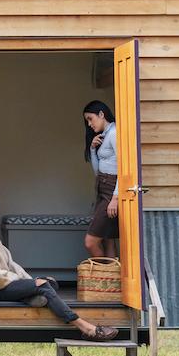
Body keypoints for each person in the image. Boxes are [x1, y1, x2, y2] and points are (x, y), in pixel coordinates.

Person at [0, 201, 119, 341]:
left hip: (6, 283)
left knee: (50, 282)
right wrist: (32, 284)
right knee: (43, 286)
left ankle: (31, 297)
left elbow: (11, 264)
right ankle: (86, 328)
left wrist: (30, 282)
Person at [82, 100, 119, 260]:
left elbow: (124, 168)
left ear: (101, 114)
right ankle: (113, 282)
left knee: (91, 242)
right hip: (102, 188)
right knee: (108, 239)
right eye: (87, 121)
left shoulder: (114, 133)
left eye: (91, 118)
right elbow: (98, 172)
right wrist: (92, 149)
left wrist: (115, 198)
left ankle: (103, 280)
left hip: (112, 190)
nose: (89, 124)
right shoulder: (103, 136)